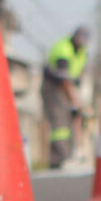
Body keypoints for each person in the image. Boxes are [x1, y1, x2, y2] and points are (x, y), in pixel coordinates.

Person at [41, 26, 90, 169]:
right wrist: (73, 99)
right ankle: (59, 159)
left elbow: (79, 74)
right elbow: (64, 80)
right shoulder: (63, 49)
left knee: (71, 120)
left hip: (69, 87)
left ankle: (72, 154)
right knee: (59, 123)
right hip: (53, 87)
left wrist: (78, 97)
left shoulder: (82, 52)